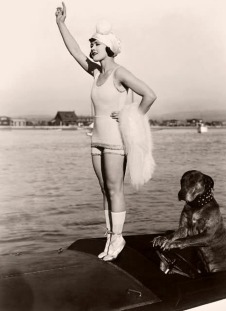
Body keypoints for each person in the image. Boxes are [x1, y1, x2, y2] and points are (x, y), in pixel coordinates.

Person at [55, 2, 157, 261]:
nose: (91, 49)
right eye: (91, 45)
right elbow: (75, 51)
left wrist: (130, 116)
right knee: (104, 190)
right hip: (96, 140)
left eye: (96, 45)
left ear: (108, 47)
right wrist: (61, 24)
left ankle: (118, 238)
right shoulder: (96, 72)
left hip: (114, 141)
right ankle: (110, 235)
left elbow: (149, 95)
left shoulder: (120, 74)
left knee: (115, 190)